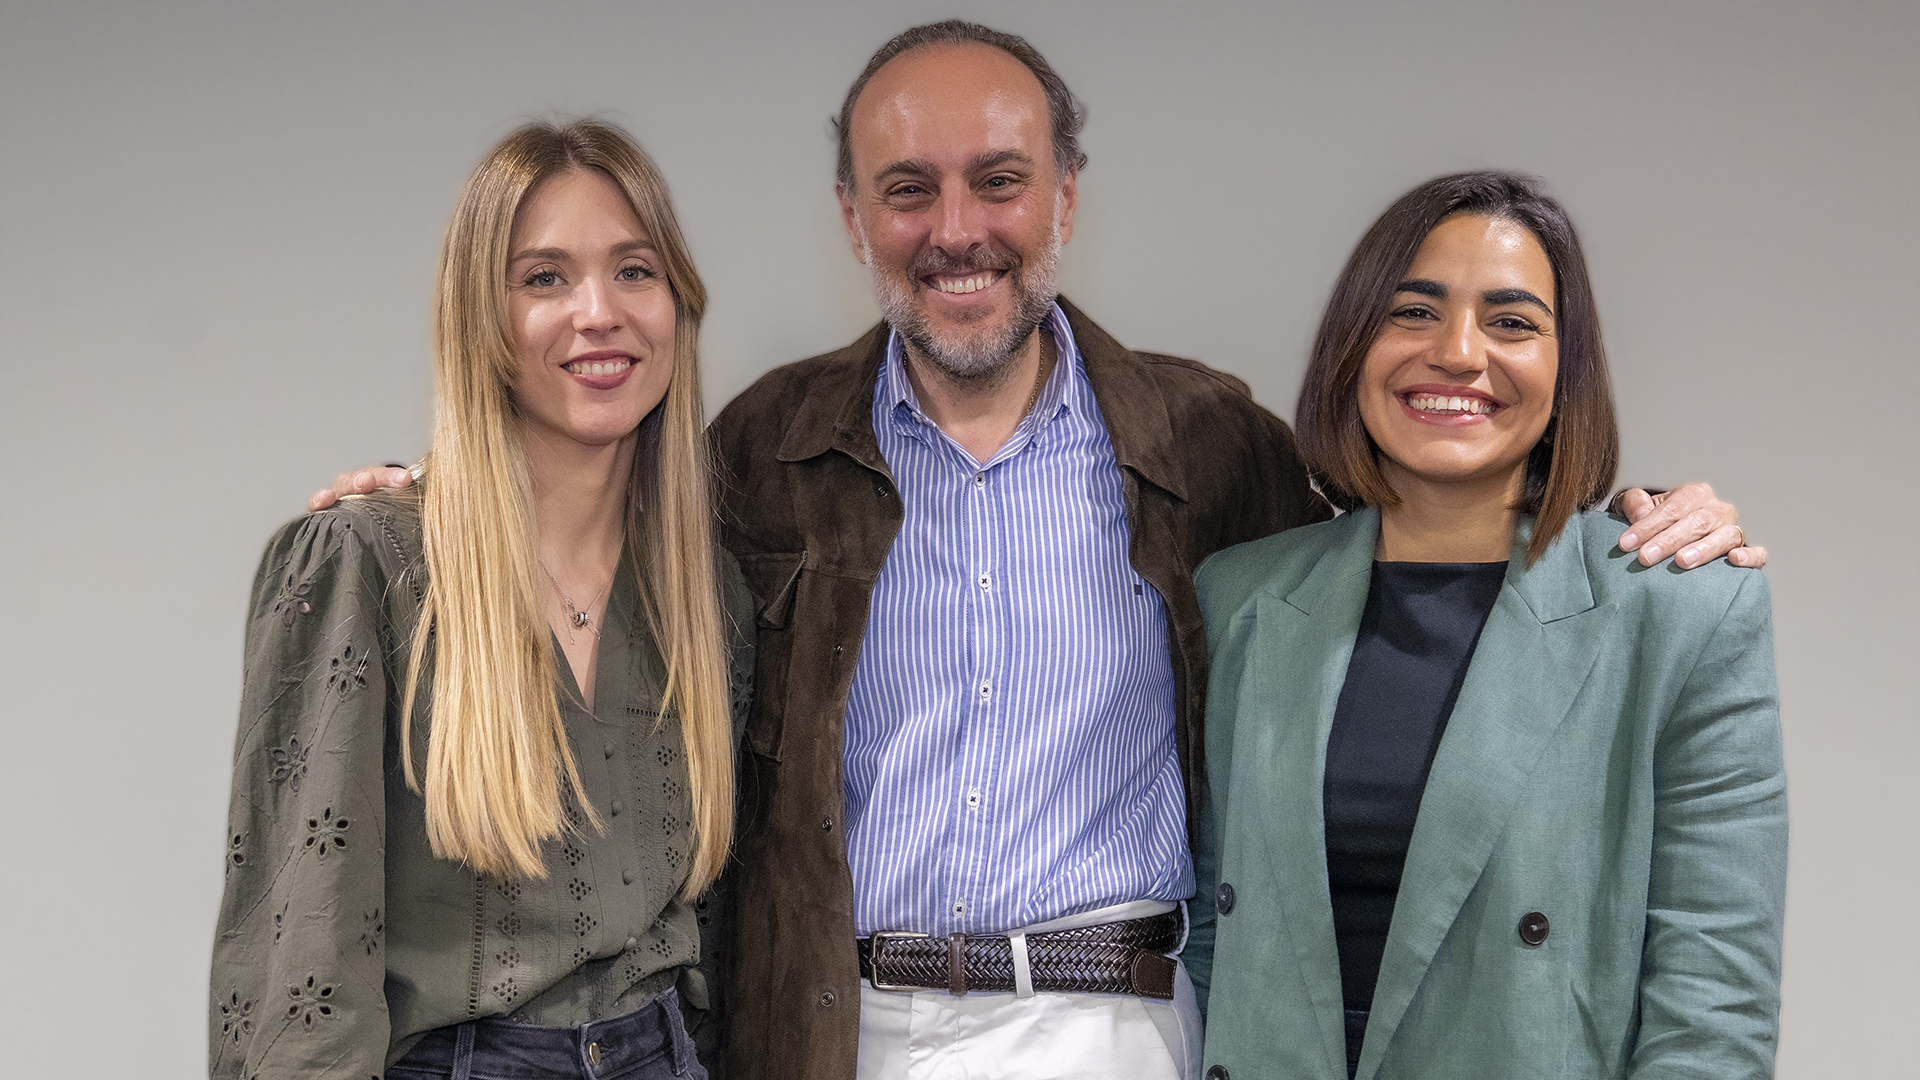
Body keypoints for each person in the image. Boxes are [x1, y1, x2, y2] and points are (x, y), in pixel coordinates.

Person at [311, 22, 1760, 1080]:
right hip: (830, 1029)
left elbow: (1414, 549)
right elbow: (606, 548)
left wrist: (1628, 515)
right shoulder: (762, 448)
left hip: (1113, 1026)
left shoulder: (1212, 444)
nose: (959, 231)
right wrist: (451, 491)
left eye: (998, 181)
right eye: (909, 189)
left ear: (1066, 196)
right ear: (853, 217)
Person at [1185, 172, 1786, 1080]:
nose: (1458, 353)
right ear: (1353, 347)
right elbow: (1204, 938)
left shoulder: (1680, 607)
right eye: (1413, 313)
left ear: (1567, 372)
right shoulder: (1240, 596)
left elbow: (1715, 1002)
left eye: (1511, 322)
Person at [211, 120, 753, 1080]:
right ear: (480, 319)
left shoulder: (708, 596)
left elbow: (711, 937)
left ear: (678, 304)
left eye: (635, 270)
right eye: (544, 278)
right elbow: (302, 966)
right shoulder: (366, 565)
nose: (599, 312)